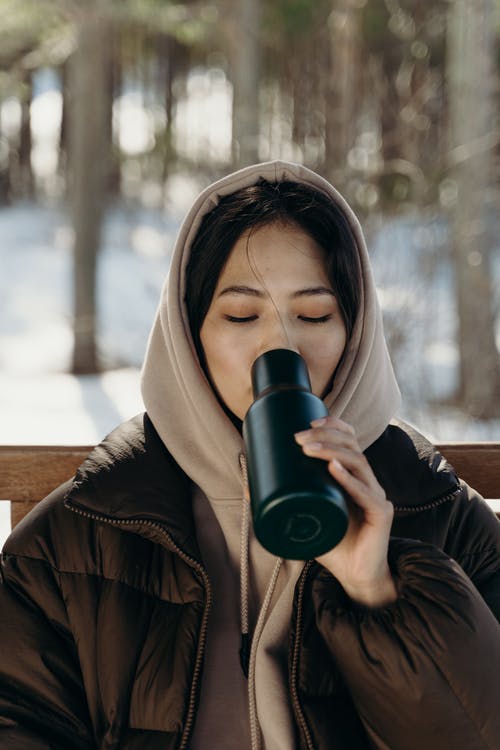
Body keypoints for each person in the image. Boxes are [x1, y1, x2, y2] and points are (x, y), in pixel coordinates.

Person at [0, 160, 499, 750]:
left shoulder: (443, 514)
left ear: (356, 331)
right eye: (240, 315)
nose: (280, 347)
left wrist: (379, 591)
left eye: (315, 315)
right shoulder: (78, 535)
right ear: (189, 334)